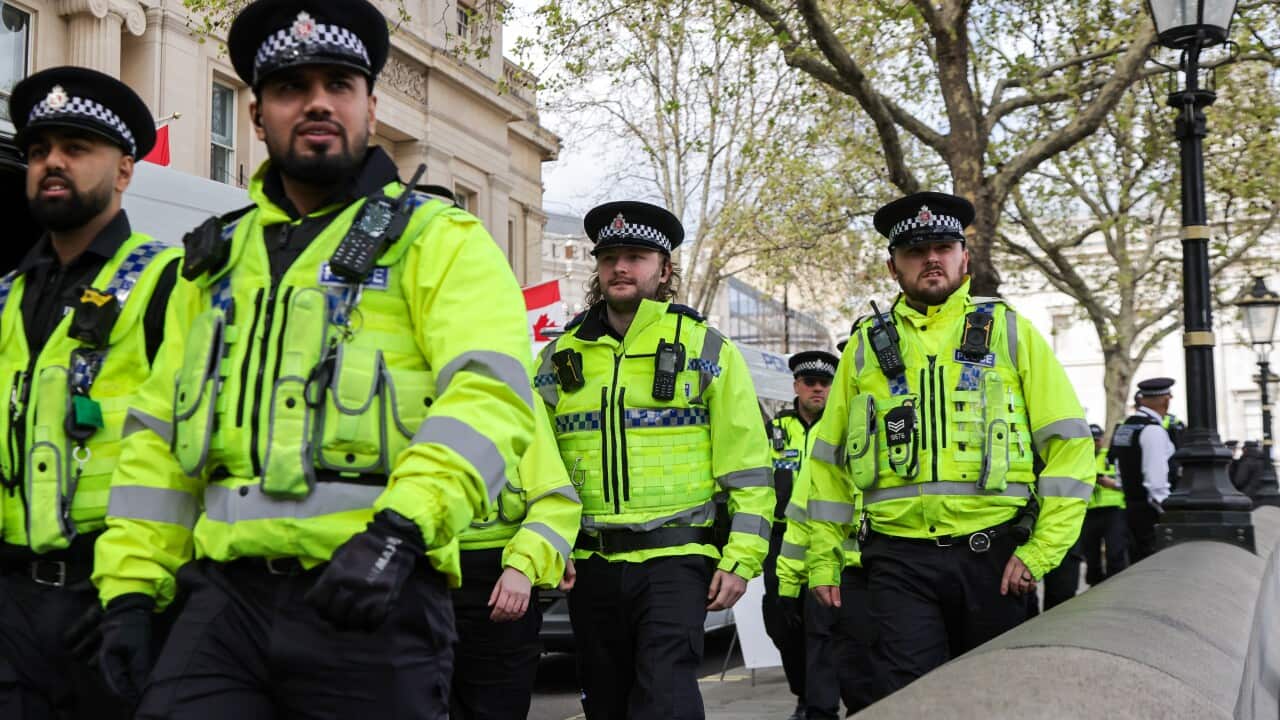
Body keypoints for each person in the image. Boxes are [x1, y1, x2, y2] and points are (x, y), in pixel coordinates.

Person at [90, 1, 536, 717]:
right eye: (293, 87)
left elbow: (488, 397)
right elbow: (156, 442)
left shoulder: (440, 239)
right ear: (258, 114)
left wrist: (399, 533)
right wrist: (131, 593)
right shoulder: (209, 262)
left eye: (339, 84)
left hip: (376, 594)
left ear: (371, 104)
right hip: (222, 605)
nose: (318, 102)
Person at [803, 191, 1094, 693]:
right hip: (897, 561)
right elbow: (828, 465)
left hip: (995, 557)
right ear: (893, 266)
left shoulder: (1011, 332)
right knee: (910, 695)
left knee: (997, 693)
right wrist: (823, 559)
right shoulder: (864, 350)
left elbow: (1069, 446)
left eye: (943, 247)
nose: (931, 259)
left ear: (965, 257)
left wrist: (1041, 551)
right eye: (916, 251)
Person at [533, 200, 773, 719]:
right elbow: (535, 463)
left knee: (666, 698)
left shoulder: (707, 348)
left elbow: (750, 467)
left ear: (664, 269)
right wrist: (546, 547)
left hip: (676, 561)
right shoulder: (557, 359)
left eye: (637, 256)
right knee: (606, 704)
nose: (621, 267)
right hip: (590, 565)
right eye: (610, 256)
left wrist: (741, 559)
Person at [0, 66, 189, 718]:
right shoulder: (6, 296)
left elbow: (185, 455)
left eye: (75, 148)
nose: (52, 163)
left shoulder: (169, 283)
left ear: (126, 170)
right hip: (12, 605)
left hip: (112, 602)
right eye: (38, 151)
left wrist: (138, 596)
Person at [450, 400, 581, 719]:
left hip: (500, 584)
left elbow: (555, 500)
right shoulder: (401, 385)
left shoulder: (515, 394)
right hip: (414, 576)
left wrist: (523, 566)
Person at [762, 350, 837, 720]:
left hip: (828, 536)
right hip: (781, 541)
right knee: (782, 622)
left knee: (826, 621)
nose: (818, 390)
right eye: (810, 383)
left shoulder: (841, 426)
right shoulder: (774, 430)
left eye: (825, 384)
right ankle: (804, 693)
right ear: (796, 386)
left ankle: (824, 696)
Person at [1109, 378, 1177, 562]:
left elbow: (1119, 467)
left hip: (1130, 507)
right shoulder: (1153, 430)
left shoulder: (1125, 427)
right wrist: (1166, 511)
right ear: (1166, 400)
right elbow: (1156, 482)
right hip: (1150, 513)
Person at [1079, 423, 1128, 585]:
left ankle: (1116, 585)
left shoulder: (1111, 456)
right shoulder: (1080, 459)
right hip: (1088, 512)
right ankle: (1095, 587)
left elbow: (1127, 482)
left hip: (1113, 511)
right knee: (1091, 557)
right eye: (1091, 440)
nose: (1094, 443)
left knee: (1115, 553)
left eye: (1097, 439)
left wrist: (1111, 484)